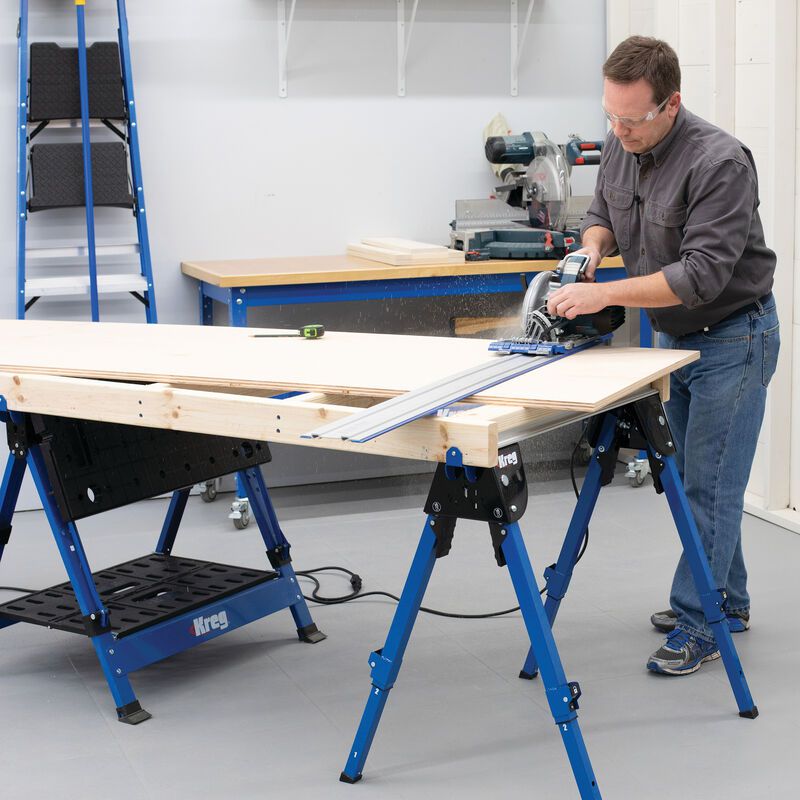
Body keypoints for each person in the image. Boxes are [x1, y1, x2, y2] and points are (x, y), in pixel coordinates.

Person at [547, 35, 780, 675]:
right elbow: (601, 214)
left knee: (708, 484)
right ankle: (728, 599)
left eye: (632, 119)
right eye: (611, 116)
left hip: (734, 336)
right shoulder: (622, 144)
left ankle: (700, 621)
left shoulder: (720, 163)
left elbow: (700, 275)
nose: (619, 131)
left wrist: (601, 295)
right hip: (675, 339)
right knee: (693, 478)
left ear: (671, 104)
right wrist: (591, 251)